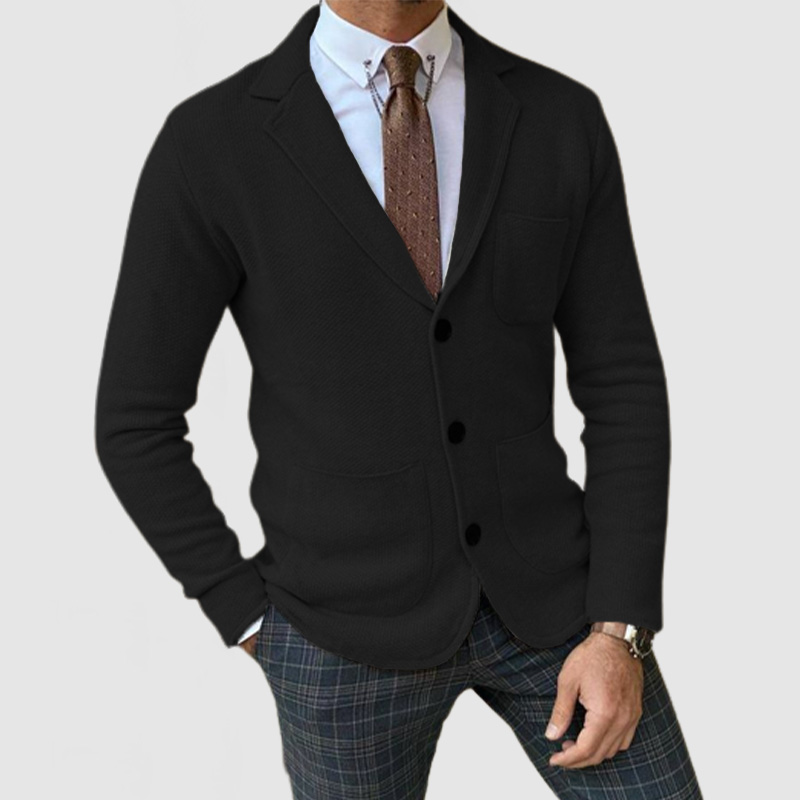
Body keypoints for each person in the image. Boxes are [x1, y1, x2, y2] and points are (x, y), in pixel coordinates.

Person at [95, 1, 703, 796]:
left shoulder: (558, 116)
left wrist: (620, 624)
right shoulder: (212, 141)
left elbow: (622, 381)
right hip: (338, 634)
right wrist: (243, 612)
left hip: (558, 604)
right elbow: (135, 417)